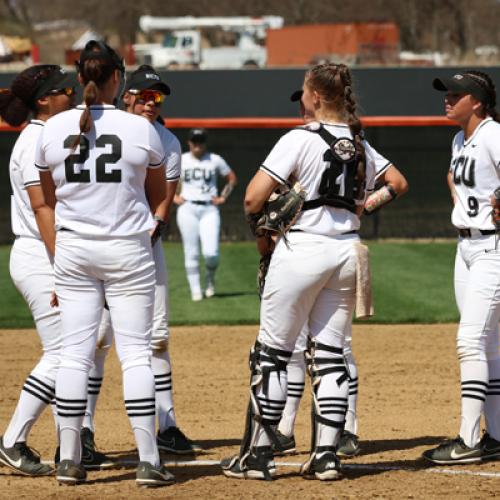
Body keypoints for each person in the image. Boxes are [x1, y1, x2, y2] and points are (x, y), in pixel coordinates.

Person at [221, 62, 406, 481]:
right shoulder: (358, 143)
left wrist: (266, 219)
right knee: (330, 353)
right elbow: (397, 181)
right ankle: (326, 456)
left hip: (302, 249)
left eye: (304, 92)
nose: (302, 98)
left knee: (272, 353)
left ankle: (258, 456)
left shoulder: (299, 138)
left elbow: (252, 199)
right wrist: (362, 206)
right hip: (346, 253)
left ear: (317, 97)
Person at [35, 40, 173, 487]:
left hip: (75, 248)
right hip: (128, 247)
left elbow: (48, 200)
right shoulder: (141, 129)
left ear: (79, 79)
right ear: (118, 78)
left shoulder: (52, 129)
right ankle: (149, 461)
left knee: (74, 355)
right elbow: (157, 195)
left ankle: (70, 460)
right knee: (135, 354)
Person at [89, 64, 200, 455]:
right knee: (97, 340)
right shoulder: (100, 129)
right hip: (97, 250)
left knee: (156, 339)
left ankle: (166, 425)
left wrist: (143, 240)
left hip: (143, 251)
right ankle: (84, 429)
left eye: (159, 97)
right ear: (128, 96)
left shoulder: (166, 142)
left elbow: (163, 206)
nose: (153, 103)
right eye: (146, 95)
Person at [0, 65, 74, 476]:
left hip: (47, 254)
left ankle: (71, 439)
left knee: (83, 344)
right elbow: (42, 209)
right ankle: (13, 439)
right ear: (43, 100)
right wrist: (62, 267)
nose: (72, 93)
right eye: (64, 89)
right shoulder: (34, 142)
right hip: (42, 255)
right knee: (63, 353)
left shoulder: (44, 135)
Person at [423, 71, 500, 465]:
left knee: (470, 341)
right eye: (446, 93)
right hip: (466, 247)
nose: (448, 99)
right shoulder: (459, 139)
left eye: (456, 94)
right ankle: (497, 436)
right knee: (488, 344)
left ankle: (469, 439)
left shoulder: (492, 134)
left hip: (493, 246)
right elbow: (459, 180)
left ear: (478, 102)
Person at [174, 128, 237, 301]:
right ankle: (196, 290)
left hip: (209, 208)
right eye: (195, 141)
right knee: (191, 251)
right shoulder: (182, 159)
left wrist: (223, 196)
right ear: (189, 142)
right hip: (188, 207)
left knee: (211, 253)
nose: (197, 145)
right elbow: (167, 178)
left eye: (200, 141)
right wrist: (173, 196)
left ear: (205, 143)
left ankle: (210, 279)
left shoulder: (214, 159)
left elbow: (232, 178)